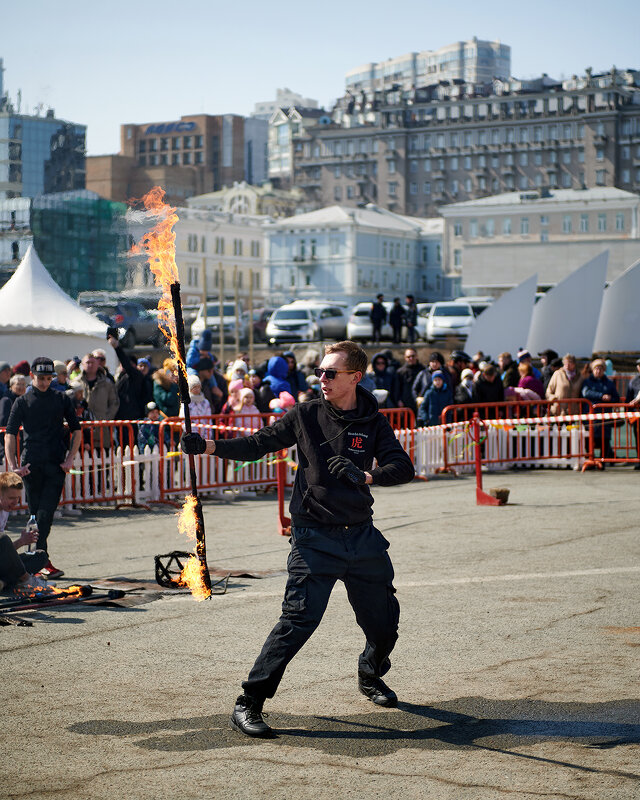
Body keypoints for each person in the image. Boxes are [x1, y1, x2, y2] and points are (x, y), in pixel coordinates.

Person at [181, 340, 415, 738]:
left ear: (355, 378)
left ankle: (370, 671)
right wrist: (208, 446)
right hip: (313, 537)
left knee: (385, 623)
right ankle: (249, 702)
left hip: (361, 538)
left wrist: (368, 476)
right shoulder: (305, 414)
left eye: (330, 373)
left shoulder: (373, 422)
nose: (320, 378)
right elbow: (259, 444)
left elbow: (403, 466)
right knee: (298, 620)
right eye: (319, 372)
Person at [5, 357, 82, 579]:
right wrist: (14, 465)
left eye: (49, 378)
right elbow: (10, 433)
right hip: (31, 466)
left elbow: (77, 430)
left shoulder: (61, 398)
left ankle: (37, 561)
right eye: (41, 378)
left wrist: (69, 459)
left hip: (55, 465)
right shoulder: (22, 401)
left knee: (45, 515)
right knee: (35, 516)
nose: (45, 382)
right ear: (32, 376)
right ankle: (40, 561)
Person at [0, 472, 52, 595]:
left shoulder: (5, 509)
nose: (15, 502)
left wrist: (22, 541)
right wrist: (20, 541)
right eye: (11, 498)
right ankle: (25, 580)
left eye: (18, 498)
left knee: (40, 556)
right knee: (3, 538)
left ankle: (5, 583)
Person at [582, 358, 619, 461]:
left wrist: (610, 399)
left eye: (601, 369)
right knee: (589, 440)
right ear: (593, 370)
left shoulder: (609, 383)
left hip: (605, 417)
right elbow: (585, 393)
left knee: (605, 440)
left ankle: (603, 461)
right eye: (596, 368)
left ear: (604, 370)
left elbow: (616, 397)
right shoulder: (587, 382)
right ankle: (591, 460)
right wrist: (601, 396)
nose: (598, 371)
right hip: (591, 416)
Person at [394, 348, 424, 420]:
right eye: (408, 357)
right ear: (405, 358)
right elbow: (396, 389)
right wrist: (399, 401)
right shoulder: (400, 372)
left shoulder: (423, 370)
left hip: (420, 404)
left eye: (413, 356)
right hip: (405, 406)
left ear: (417, 356)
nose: (411, 358)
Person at [625, 358, 640, 469]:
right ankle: (639, 459)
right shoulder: (633, 381)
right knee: (638, 438)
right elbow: (628, 399)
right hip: (636, 415)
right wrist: (628, 415)